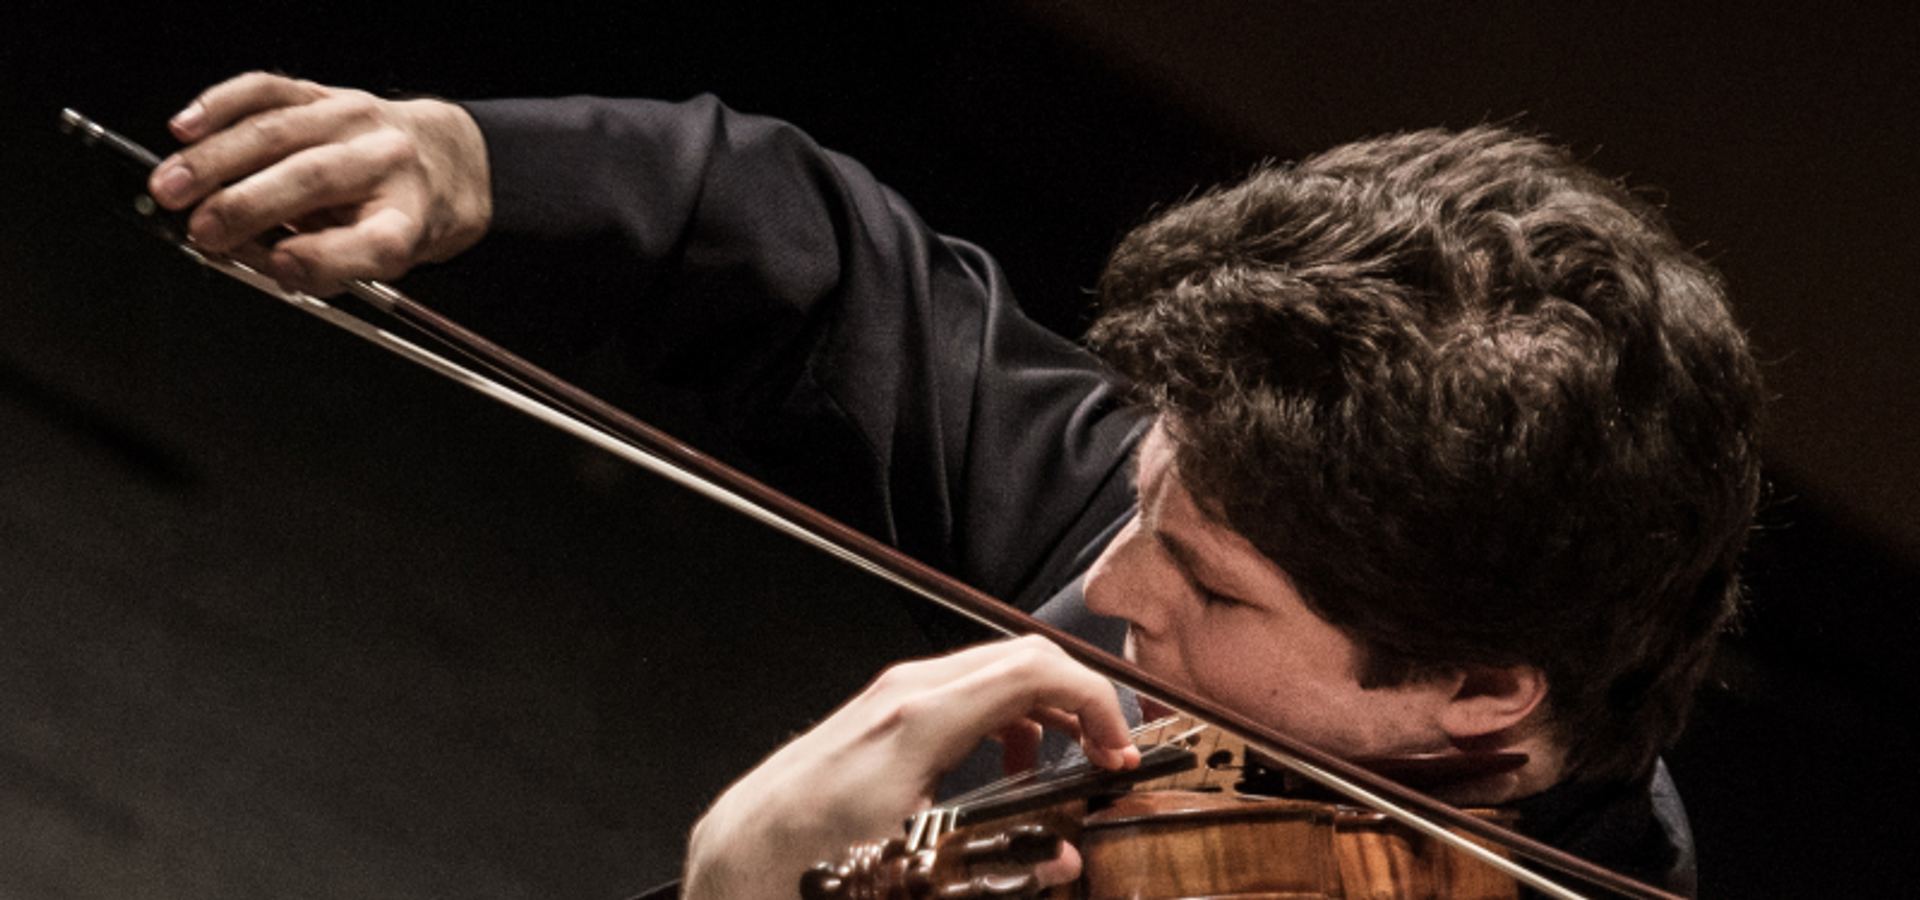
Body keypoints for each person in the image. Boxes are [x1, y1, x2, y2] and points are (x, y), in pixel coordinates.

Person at [147, 72, 1763, 900]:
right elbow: (813, 262)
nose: (1106, 595)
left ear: (1479, 693)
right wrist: (467, 162)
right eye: (1148, 497)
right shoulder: (1217, 541)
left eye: (1209, 589)